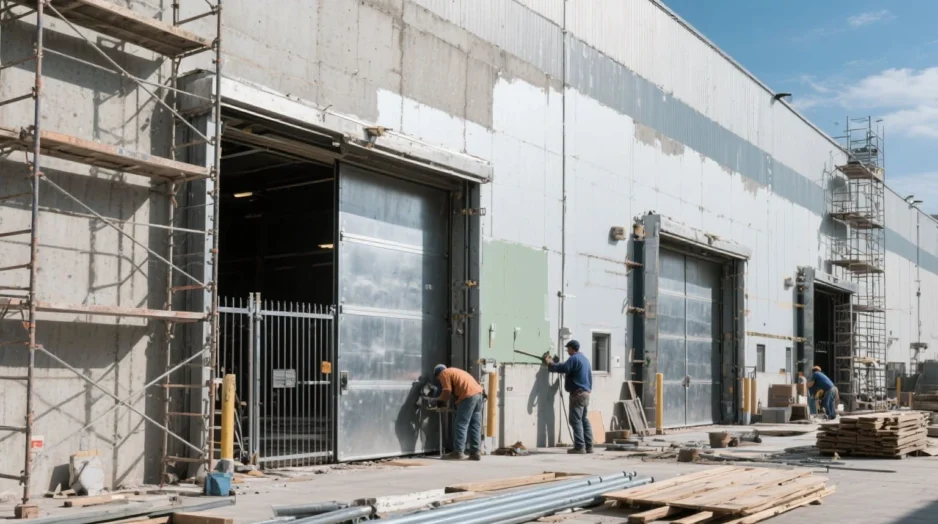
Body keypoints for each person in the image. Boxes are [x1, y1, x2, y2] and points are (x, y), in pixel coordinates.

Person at [544, 340, 594, 453]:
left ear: (572, 348)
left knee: (575, 421)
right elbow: (589, 377)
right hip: (586, 393)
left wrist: (551, 364)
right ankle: (589, 446)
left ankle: (580, 447)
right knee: (584, 419)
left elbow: (564, 368)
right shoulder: (585, 359)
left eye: (568, 348)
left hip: (577, 394)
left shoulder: (574, 359)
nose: (567, 350)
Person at [432, 364, 484, 461]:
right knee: (475, 425)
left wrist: (440, 401)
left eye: (438, 379)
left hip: (468, 396)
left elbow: (447, 390)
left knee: (461, 424)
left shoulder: (444, 373)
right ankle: (475, 452)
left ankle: (458, 452)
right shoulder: (455, 371)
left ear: (437, 374)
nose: (440, 380)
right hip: (479, 395)